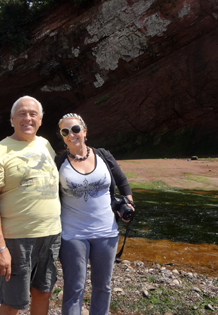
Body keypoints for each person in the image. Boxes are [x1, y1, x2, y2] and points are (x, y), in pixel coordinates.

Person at [0, 96, 61, 315]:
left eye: (33, 114)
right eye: (22, 114)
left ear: (41, 119)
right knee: (13, 302)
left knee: (43, 293)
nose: (28, 118)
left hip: (51, 235)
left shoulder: (45, 145)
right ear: (12, 119)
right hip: (17, 240)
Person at [54, 113, 134, 315]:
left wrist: (129, 205)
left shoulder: (103, 155)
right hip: (72, 234)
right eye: (66, 132)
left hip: (106, 233)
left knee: (103, 286)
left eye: (75, 129)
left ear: (85, 131)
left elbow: (123, 183)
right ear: (62, 137)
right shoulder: (59, 162)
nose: (71, 134)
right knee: (74, 288)